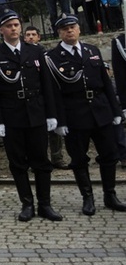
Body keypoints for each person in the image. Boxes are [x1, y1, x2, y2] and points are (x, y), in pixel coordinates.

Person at [0, 9, 62, 222]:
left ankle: (45, 204)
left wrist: (51, 114)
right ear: (1, 30)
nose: (14, 29)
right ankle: (27, 204)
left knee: (41, 161)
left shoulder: (35, 51)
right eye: (9, 26)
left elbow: (47, 84)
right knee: (18, 163)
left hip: (36, 114)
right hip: (12, 117)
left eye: (16, 25)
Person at [45, 14, 126, 215]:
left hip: (101, 111)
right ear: (59, 33)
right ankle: (87, 198)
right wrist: (60, 121)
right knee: (79, 158)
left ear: (79, 29)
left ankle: (110, 194)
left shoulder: (92, 50)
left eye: (72, 27)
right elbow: (53, 93)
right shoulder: (52, 58)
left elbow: (106, 83)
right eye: (65, 29)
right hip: (75, 114)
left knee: (109, 155)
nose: (69, 31)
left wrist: (115, 110)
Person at [23, 25, 70, 169]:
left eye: (33, 34)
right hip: (32, 98)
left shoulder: (48, 54)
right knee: (35, 133)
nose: (31, 37)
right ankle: (37, 159)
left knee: (54, 130)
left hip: (49, 96)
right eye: (28, 35)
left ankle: (57, 158)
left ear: (39, 37)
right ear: (24, 38)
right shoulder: (21, 53)